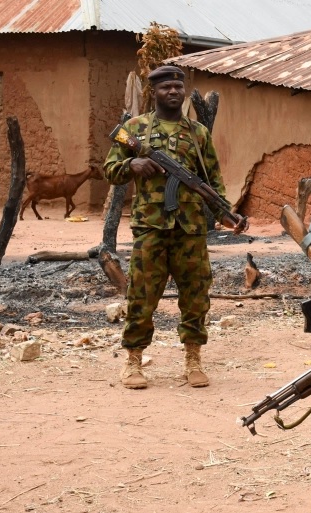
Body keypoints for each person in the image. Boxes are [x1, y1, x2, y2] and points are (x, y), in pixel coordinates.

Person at [103, 65, 245, 390]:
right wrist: (131, 163)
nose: (173, 92)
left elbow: (212, 181)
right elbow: (109, 169)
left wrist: (225, 212)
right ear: (154, 92)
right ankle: (133, 361)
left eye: (178, 87)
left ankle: (193, 359)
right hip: (150, 227)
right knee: (142, 295)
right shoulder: (135, 129)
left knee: (196, 295)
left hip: (190, 228)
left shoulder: (198, 134)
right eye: (166, 87)